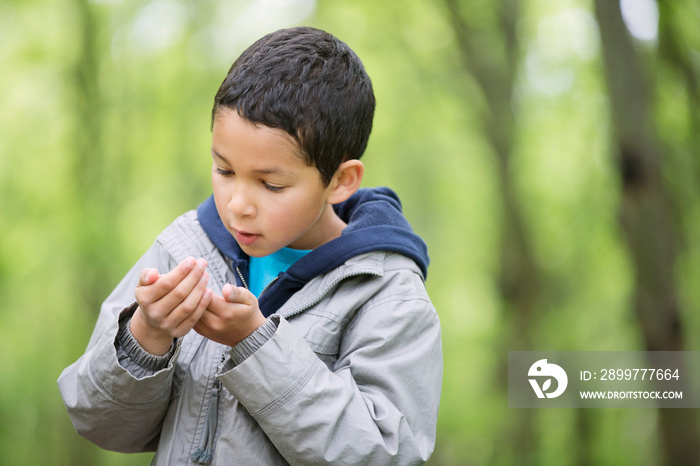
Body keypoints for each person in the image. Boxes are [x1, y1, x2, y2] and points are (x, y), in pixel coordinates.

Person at [58, 26, 442, 465]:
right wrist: (147, 335)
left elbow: (386, 454)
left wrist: (255, 346)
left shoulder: (384, 294)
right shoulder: (186, 247)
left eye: (271, 184)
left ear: (339, 180)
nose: (237, 205)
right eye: (223, 170)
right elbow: (97, 420)